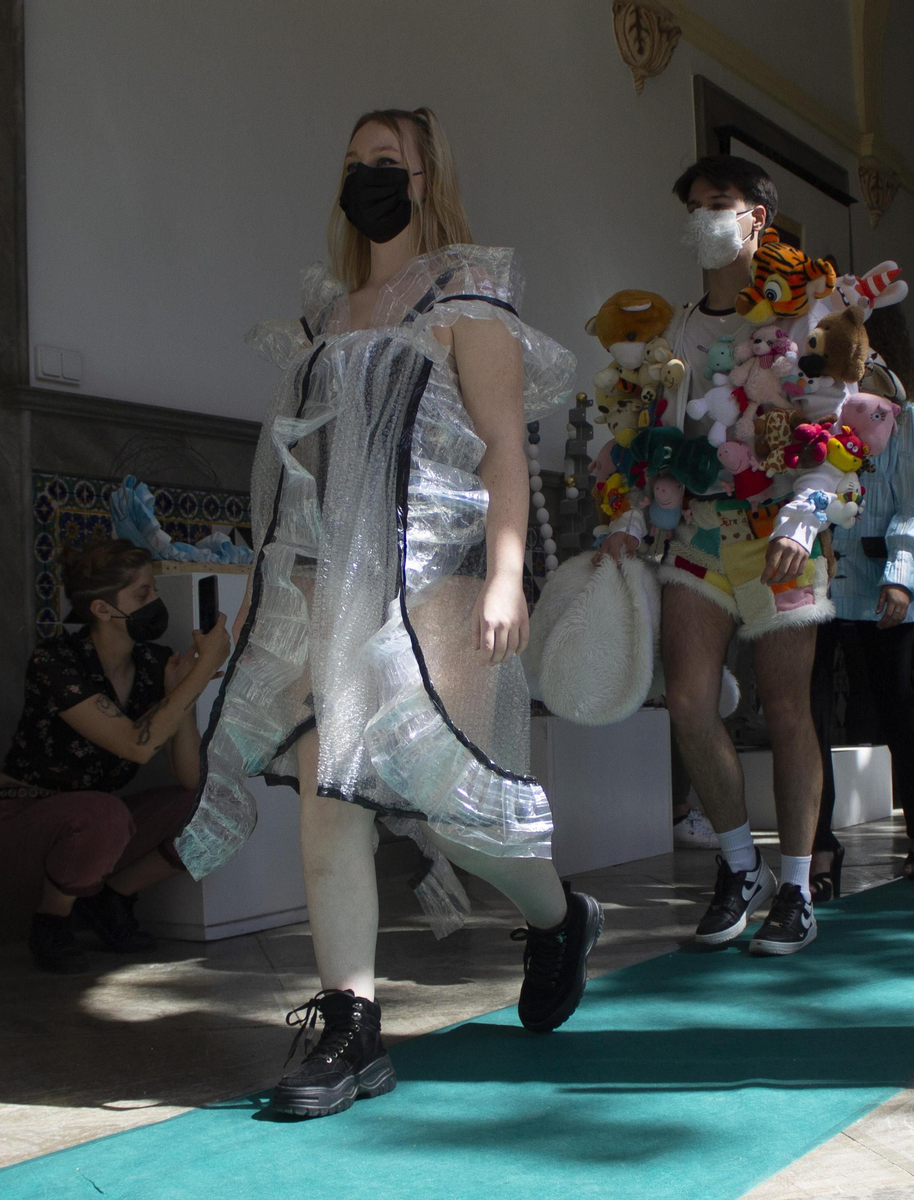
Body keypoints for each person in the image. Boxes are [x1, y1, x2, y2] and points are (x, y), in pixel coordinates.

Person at [175, 108, 598, 1119]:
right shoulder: (328, 316)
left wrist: (505, 575)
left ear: (425, 177)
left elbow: (503, 446)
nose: (367, 176)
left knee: (450, 813)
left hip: (437, 577)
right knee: (331, 799)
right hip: (327, 580)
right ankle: (347, 1024)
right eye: (355, 160)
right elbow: (304, 462)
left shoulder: (466, 298)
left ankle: (555, 915)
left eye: (388, 162)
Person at [597, 155, 832, 955]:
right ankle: (739, 867)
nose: (703, 217)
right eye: (693, 205)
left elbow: (836, 429)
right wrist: (630, 510)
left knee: (788, 708)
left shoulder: (803, 318)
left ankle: (797, 887)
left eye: (718, 204)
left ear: (756, 218)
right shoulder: (676, 329)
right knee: (691, 703)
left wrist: (807, 516)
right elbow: (654, 435)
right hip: (698, 531)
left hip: (781, 534)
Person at [0, 539, 230, 973]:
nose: (155, 602)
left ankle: (110, 898)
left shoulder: (153, 662)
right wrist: (197, 678)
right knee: (104, 813)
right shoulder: (57, 662)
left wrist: (181, 693)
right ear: (102, 610)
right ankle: (52, 921)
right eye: (142, 594)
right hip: (26, 828)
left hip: (99, 826)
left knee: (214, 809)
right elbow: (134, 745)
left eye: (154, 590)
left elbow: (191, 778)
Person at [809, 317, 914, 891]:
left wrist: (902, 576)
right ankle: (820, 849)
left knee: (894, 706)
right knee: (810, 716)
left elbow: (911, 507)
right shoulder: (804, 401)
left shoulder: (899, 410)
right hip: (814, 580)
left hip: (879, 582)